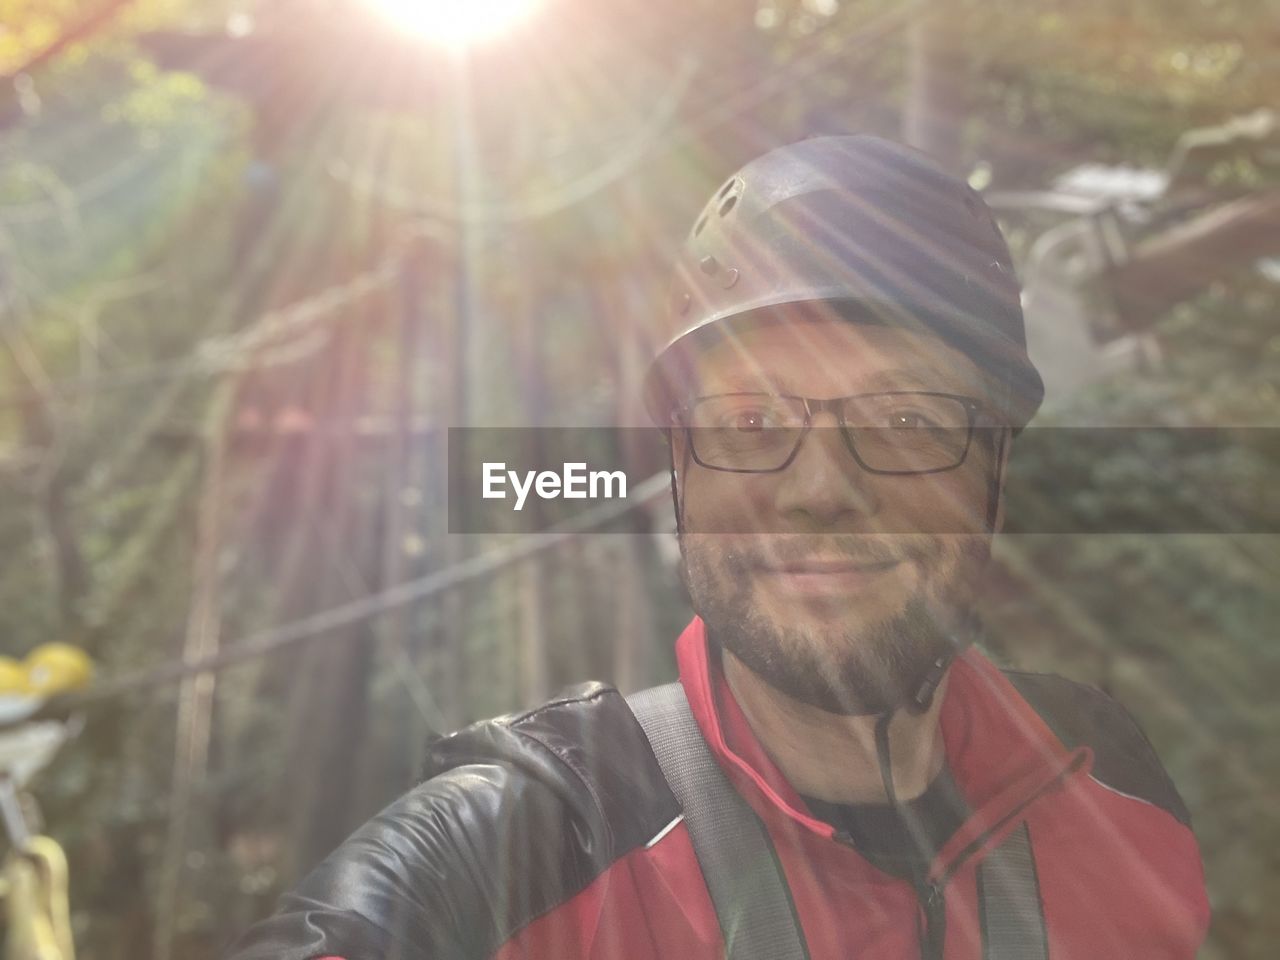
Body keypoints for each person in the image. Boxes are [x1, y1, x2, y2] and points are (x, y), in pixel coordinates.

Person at [226, 136, 1208, 960]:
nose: (820, 493)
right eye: (747, 420)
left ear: (993, 468)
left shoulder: (1109, 786)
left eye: (907, 416)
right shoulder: (512, 860)